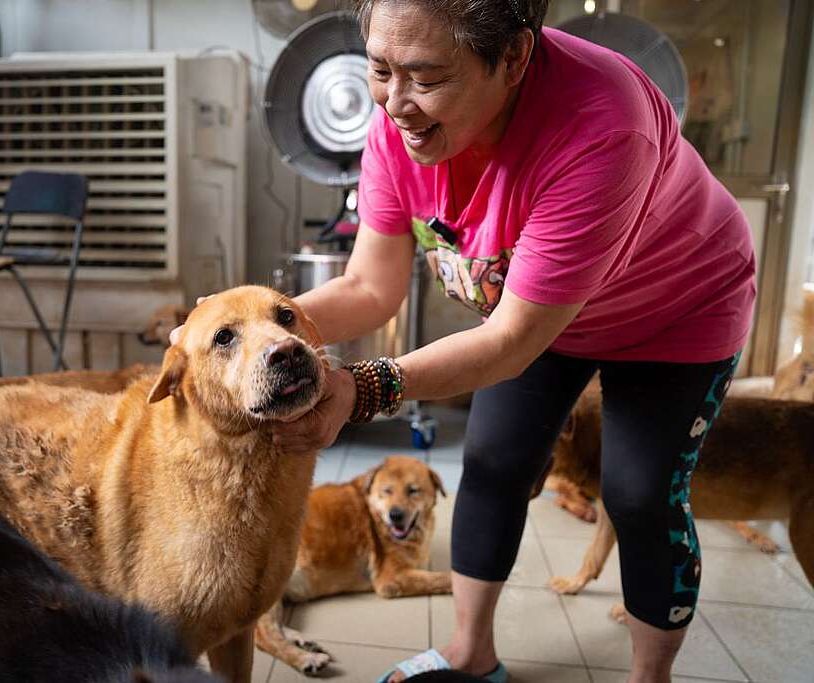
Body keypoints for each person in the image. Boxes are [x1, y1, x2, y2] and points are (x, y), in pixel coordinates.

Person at [265, 1, 755, 683]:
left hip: (676, 306)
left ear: (515, 59)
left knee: (639, 492)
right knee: (493, 459)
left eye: (425, 78)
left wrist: (363, 387)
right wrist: (262, 322)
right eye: (379, 69)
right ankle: (471, 652)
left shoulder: (601, 125)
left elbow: (515, 340)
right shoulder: (397, 126)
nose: (395, 103)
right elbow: (370, 288)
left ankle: (652, 677)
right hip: (537, 313)